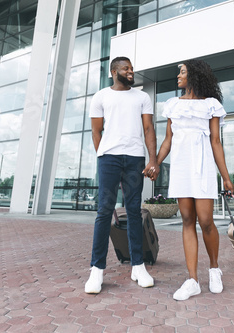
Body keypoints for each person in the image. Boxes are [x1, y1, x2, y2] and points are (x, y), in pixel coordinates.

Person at [151, 59, 234, 301]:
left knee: (206, 221)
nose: (178, 76)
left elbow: (216, 142)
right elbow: (168, 139)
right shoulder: (173, 105)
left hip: (203, 166)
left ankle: (214, 269)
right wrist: (156, 162)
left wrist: (226, 178)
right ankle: (192, 280)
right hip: (181, 166)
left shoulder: (211, 105)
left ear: (195, 76)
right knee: (187, 219)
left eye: (183, 72)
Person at [85, 56, 159, 294]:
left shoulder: (142, 97)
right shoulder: (101, 96)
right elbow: (96, 132)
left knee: (134, 211)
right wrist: (104, 155)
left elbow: (148, 128)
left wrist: (153, 160)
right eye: (126, 68)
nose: (130, 71)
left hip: (135, 158)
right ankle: (96, 270)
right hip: (109, 159)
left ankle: (138, 266)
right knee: (105, 211)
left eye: (131, 68)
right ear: (113, 71)